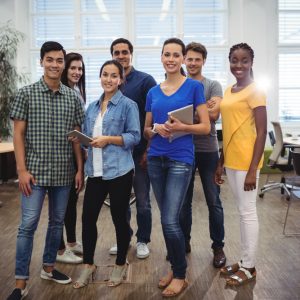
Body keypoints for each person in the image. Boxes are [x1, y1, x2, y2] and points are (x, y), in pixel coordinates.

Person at [7, 41, 85, 300]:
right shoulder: (26, 93)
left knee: (56, 224)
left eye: (59, 60)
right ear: (41, 62)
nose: (55, 64)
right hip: (34, 174)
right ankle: (20, 283)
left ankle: (49, 268)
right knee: (27, 226)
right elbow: (18, 135)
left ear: (63, 64)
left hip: (64, 173)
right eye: (49, 59)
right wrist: (21, 170)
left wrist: (80, 169)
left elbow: (76, 137)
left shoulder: (73, 96)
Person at [144, 37, 210, 297]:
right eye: (166, 54)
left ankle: (180, 274)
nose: (171, 59)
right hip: (155, 159)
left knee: (170, 220)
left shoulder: (193, 87)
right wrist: (155, 129)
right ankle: (174, 266)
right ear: (161, 58)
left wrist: (182, 127)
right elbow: (146, 130)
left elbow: (205, 127)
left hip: (181, 159)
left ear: (183, 59)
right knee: (168, 219)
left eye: (175, 55)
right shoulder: (153, 92)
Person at [73, 60, 140, 289]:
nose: (108, 79)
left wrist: (109, 140)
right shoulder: (91, 107)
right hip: (96, 172)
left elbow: (134, 137)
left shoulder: (128, 105)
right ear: (99, 77)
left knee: (119, 219)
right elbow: (89, 139)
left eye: (113, 76)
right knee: (88, 218)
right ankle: (88, 264)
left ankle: (121, 263)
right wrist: (81, 140)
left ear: (120, 80)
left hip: (120, 171)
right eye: (104, 75)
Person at [215, 43, 267, 286]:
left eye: (244, 60)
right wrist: (220, 162)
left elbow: (262, 130)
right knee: (241, 212)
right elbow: (228, 130)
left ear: (251, 63)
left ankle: (249, 267)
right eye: (234, 60)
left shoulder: (256, 91)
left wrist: (252, 170)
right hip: (231, 161)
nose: (238, 65)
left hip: (247, 163)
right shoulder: (229, 90)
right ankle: (245, 259)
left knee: (248, 213)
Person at [108, 38, 156, 259]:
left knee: (143, 202)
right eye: (116, 52)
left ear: (131, 54)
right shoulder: (111, 82)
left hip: (139, 153)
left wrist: (148, 150)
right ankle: (124, 238)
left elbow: (153, 118)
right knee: (120, 202)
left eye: (124, 52)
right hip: (118, 153)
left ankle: (143, 240)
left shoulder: (145, 81)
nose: (121, 56)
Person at [179, 42, 226, 268]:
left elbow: (215, 114)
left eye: (198, 59)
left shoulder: (213, 85)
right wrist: (202, 112)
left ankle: (218, 247)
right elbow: (173, 117)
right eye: (190, 59)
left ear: (203, 61)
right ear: (184, 60)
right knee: (183, 203)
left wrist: (192, 114)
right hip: (183, 149)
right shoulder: (179, 85)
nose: (193, 63)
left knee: (213, 201)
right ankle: (184, 243)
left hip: (208, 151)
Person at [56, 52, 86, 264]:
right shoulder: (60, 92)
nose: (76, 72)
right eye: (73, 68)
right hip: (59, 155)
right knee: (58, 205)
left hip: (73, 154)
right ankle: (59, 250)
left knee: (71, 201)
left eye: (80, 68)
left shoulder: (76, 92)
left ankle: (72, 242)